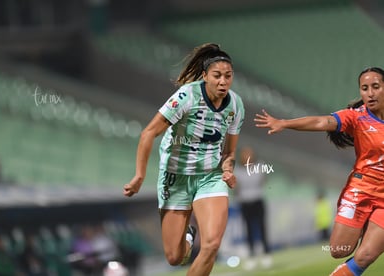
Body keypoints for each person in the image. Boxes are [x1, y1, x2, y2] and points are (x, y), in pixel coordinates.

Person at [123, 43, 245, 276]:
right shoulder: (187, 96)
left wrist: (228, 169)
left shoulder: (236, 105)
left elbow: (229, 153)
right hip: (175, 179)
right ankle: (189, 234)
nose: (223, 82)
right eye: (217, 76)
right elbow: (148, 133)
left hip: (210, 177)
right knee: (174, 257)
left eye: (228, 76)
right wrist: (139, 175)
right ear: (204, 76)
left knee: (211, 246)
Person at [254, 67, 384, 276]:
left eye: (375, 87)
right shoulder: (356, 117)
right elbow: (321, 121)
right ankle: (369, 224)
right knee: (338, 250)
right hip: (361, 190)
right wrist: (284, 123)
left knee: (365, 256)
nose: (369, 93)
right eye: (364, 88)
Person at [234, 146, 271, 270]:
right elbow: (236, 187)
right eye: (245, 154)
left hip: (258, 200)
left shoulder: (260, 165)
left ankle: (266, 254)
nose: (247, 157)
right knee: (248, 229)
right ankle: (252, 256)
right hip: (245, 202)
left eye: (249, 154)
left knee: (262, 227)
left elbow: (263, 180)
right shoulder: (238, 170)